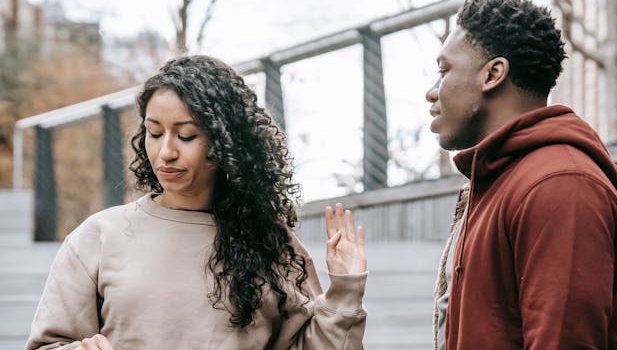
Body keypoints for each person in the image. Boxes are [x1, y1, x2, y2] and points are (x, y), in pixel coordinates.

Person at [26, 55, 368, 350]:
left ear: (225, 144)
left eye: (186, 135)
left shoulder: (270, 246)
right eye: (154, 133)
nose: (166, 152)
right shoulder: (98, 237)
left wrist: (345, 291)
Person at [426, 0, 617, 349]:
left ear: (493, 74)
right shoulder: (496, 183)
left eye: (444, 70)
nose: (433, 90)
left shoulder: (559, 186)